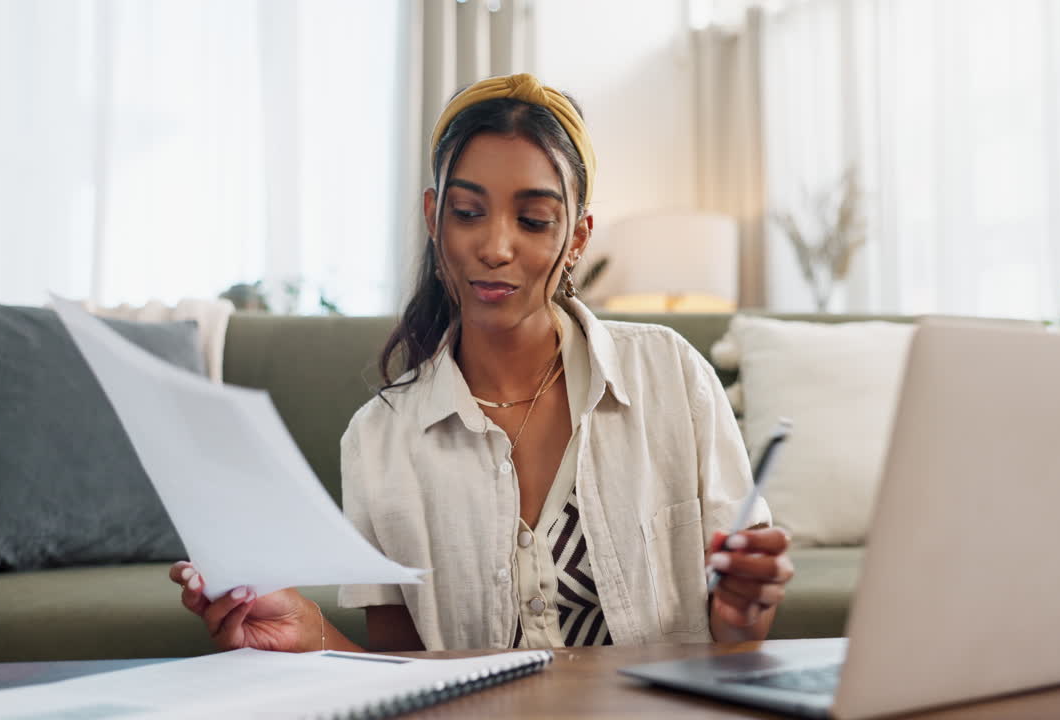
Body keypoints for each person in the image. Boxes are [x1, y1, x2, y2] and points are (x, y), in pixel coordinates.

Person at [169, 73, 793, 652]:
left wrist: (742, 619)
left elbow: (735, 637)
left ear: (577, 236)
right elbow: (407, 682)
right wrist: (309, 633)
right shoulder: (379, 440)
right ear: (432, 218)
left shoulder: (672, 377)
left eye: (534, 220)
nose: (496, 247)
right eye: (468, 213)